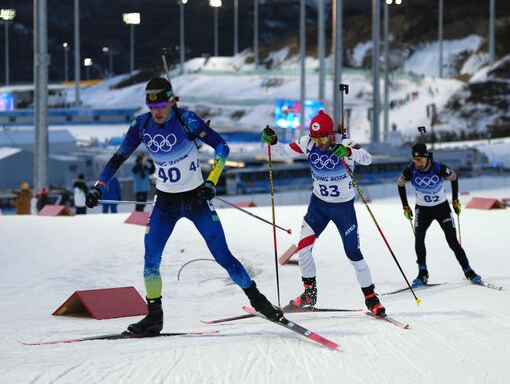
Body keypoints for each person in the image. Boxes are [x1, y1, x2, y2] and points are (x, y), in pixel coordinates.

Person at [85, 77, 283, 335]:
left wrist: (211, 181)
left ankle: (260, 302)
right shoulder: (141, 125)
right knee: (150, 260)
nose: (156, 112)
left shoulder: (187, 121)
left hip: (196, 201)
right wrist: (99, 185)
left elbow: (222, 147)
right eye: (151, 107)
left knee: (223, 256)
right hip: (165, 203)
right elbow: (118, 157)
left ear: (171, 101)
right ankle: (154, 317)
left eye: (160, 106)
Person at [261, 110, 386, 317]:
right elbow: (282, 151)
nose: (318, 142)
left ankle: (371, 298)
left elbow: (368, 159)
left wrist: (347, 153)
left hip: (343, 209)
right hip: (318, 206)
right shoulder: (307, 142)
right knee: (303, 249)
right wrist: (273, 142)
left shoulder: (345, 143)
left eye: (322, 138)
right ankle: (309, 294)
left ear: (330, 134)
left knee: (353, 253)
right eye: (315, 138)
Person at [397, 142, 482, 286]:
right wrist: (405, 206)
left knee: (452, 240)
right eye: (415, 161)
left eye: (421, 160)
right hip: (422, 210)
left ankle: (468, 271)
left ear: (427, 158)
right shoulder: (409, 171)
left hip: (441, 208)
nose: (419, 164)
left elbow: (454, 178)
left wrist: (455, 199)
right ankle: (422, 273)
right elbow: (400, 184)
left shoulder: (438, 167)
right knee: (419, 238)